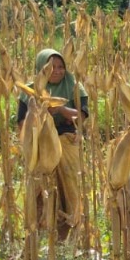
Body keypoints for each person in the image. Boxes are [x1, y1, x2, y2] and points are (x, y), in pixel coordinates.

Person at [17, 48, 88, 241]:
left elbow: (81, 116)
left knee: (70, 188)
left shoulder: (74, 86)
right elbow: (22, 123)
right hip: (40, 147)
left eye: (61, 67)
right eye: (50, 68)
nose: (57, 71)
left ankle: (70, 231)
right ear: (41, 69)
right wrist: (39, 117)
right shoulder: (28, 91)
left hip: (66, 140)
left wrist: (60, 109)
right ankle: (40, 230)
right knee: (41, 189)